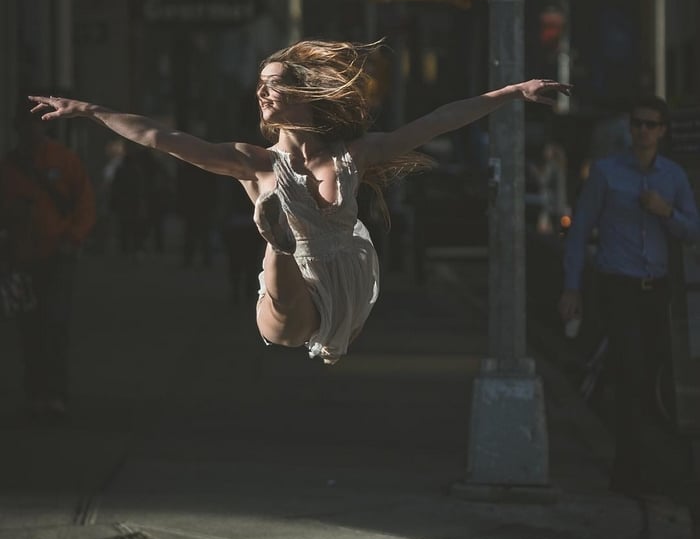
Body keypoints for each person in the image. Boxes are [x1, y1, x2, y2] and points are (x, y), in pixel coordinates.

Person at [28, 39, 569, 365]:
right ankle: (277, 243)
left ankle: (281, 240)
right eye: (260, 86)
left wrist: (512, 93)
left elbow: (437, 120)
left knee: (309, 311)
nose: (263, 93)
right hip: (289, 290)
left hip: (345, 281)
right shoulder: (251, 161)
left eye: (274, 84)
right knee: (286, 313)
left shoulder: (354, 156)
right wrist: (92, 109)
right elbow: (158, 138)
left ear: (304, 95)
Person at [558, 94, 700, 496]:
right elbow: (580, 230)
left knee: (654, 379)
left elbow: (693, 229)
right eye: (637, 123)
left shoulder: (672, 177)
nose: (642, 131)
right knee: (631, 372)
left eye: (650, 124)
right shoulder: (606, 172)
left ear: (662, 131)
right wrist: (572, 287)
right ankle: (630, 472)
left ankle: (647, 465)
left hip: (657, 291)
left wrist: (664, 212)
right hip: (618, 286)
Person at [0, 104, 96, 422]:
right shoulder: (9, 167)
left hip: (58, 256)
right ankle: (35, 393)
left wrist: (73, 239)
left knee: (55, 323)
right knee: (29, 327)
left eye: (34, 123)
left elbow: (85, 204)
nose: (30, 130)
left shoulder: (64, 160)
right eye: (23, 124)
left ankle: (54, 394)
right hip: (22, 259)